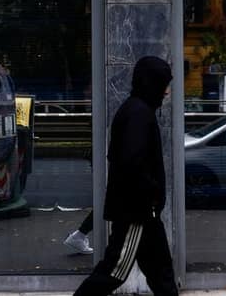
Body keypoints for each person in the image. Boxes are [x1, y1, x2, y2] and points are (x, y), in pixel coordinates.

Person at [73, 56, 178, 296]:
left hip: (142, 211)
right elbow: (131, 163)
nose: (167, 92)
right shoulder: (138, 114)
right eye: (164, 85)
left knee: (161, 272)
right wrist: (152, 192)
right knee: (115, 270)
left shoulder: (137, 110)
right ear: (152, 84)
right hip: (137, 213)